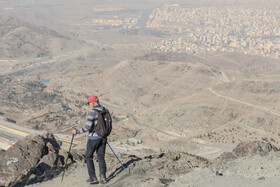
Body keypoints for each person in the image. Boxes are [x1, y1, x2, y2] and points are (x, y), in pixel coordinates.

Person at [72, 95, 107, 184]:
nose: (89, 105)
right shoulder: (105, 110)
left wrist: (77, 132)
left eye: (89, 103)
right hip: (103, 137)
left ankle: (93, 177)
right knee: (101, 156)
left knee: (88, 156)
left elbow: (87, 127)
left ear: (93, 103)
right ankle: (103, 177)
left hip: (93, 138)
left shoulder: (92, 112)